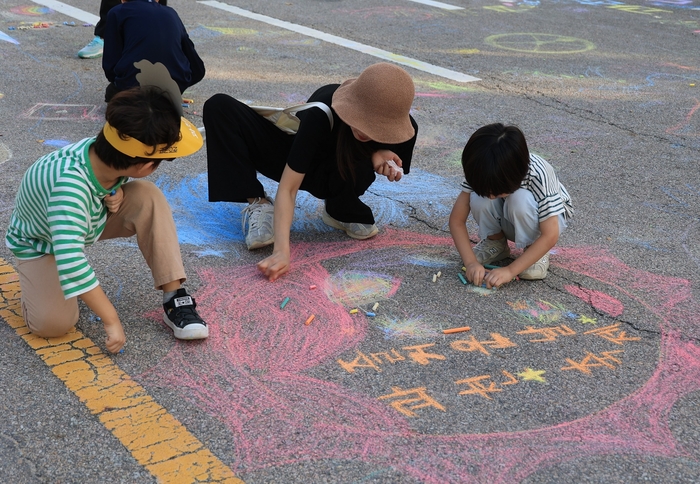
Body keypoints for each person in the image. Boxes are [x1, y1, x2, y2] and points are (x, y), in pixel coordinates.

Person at [5, 86, 208, 354]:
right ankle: (36, 287)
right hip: (42, 242)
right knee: (52, 324)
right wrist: (111, 319)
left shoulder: (105, 148)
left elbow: (104, 177)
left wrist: (115, 190)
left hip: (86, 217)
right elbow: (72, 260)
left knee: (148, 197)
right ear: (145, 166)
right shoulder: (69, 188)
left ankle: (175, 297)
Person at [203, 62, 418, 282]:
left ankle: (340, 209)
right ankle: (258, 203)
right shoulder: (321, 114)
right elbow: (288, 188)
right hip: (296, 155)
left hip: (336, 173)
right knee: (219, 106)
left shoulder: (404, 130)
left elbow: (377, 158)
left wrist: (377, 153)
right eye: (362, 120)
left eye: (375, 127)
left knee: (357, 158)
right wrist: (281, 252)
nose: (364, 129)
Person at [449, 123, 573, 287]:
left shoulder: (539, 173)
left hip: (547, 224)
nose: (491, 196)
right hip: (510, 217)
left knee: (520, 199)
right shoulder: (482, 169)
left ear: (517, 175)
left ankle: (534, 250)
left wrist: (510, 270)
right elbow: (457, 220)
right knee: (478, 198)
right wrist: (470, 262)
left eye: (497, 191)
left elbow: (550, 234)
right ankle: (496, 243)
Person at [100, 0, 204, 102]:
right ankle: (167, 97)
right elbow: (196, 64)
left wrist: (120, 82)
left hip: (134, 85)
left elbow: (110, 62)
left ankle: (138, 98)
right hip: (174, 85)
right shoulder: (171, 12)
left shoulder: (117, 12)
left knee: (111, 92)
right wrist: (179, 86)